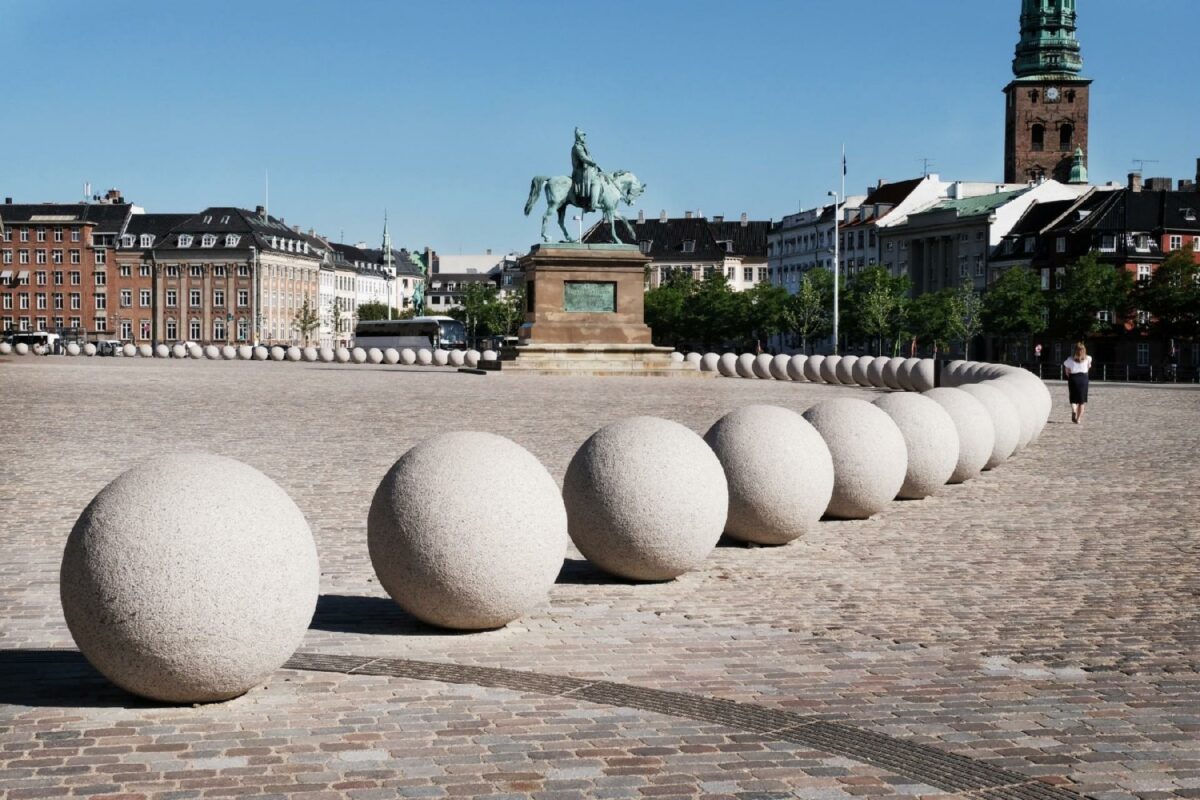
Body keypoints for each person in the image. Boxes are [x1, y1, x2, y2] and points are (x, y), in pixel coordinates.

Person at [1062, 342, 1092, 424]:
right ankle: (1078, 419)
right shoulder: (1088, 358)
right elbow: (1088, 367)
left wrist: (1068, 374)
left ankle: (1074, 410)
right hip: (1084, 379)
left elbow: (1066, 370)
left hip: (1073, 378)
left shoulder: (1070, 359)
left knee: (1073, 399)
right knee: (1081, 402)